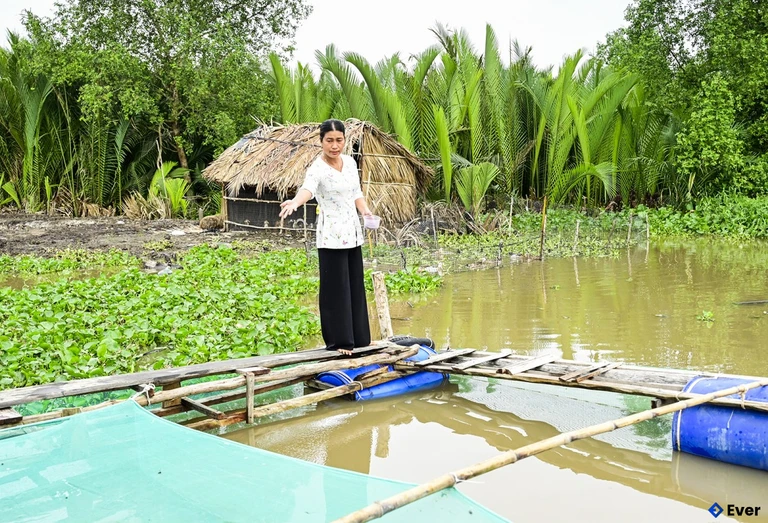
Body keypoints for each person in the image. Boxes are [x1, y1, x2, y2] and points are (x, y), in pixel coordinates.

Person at [279, 119, 373, 355]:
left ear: (344, 140)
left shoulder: (351, 163)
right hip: (331, 235)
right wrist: (295, 202)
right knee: (336, 289)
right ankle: (340, 342)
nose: (334, 145)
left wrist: (365, 211)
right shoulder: (317, 169)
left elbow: (356, 193)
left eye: (339, 140)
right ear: (321, 142)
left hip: (352, 233)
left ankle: (360, 338)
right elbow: (307, 190)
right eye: (329, 140)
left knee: (354, 285)